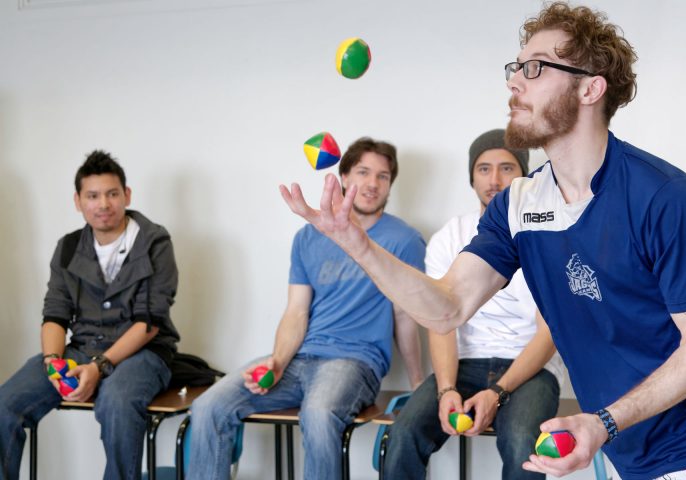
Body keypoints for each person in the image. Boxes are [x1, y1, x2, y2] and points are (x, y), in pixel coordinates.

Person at [280, 3, 686, 479]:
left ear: (590, 88)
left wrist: (604, 423)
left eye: (535, 68)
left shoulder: (667, 199)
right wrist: (358, 244)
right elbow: (446, 308)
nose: (514, 82)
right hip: (622, 446)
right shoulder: (520, 204)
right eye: (515, 68)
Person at [187, 137, 426, 480]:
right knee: (208, 406)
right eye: (363, 172)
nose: (373, 184)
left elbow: (406, 315)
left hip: (354, 361)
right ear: (343, 177)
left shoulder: (404, 240)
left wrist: (418, 385)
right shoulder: (308, 238)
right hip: (299, 360)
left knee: (317, 413)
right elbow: (296, 312)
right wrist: (278, 360)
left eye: (383, 176)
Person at [382, 129, 564, 480]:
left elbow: (550, 334)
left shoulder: (549, 234)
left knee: (523, 444)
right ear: (471, 176)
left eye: (506, 168)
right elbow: (441, 322)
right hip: (463, 365)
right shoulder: (449, 237)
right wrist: (447, 388)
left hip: (531, 370)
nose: (494, 179)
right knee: (402, 435)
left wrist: (497, 392)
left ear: (524, 175)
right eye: (483, 169)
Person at [0, 150, 181, 480]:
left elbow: (149, 322)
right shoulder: (68, 247)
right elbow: (55, 314)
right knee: (5, 404)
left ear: (127, 195)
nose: (103, 204)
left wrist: (99, 367)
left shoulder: (154, 241)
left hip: (142, 353)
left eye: (112, 194)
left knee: (117, 403)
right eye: (93, 196)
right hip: (80, 350)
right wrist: (52, 362)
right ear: (78, 200)